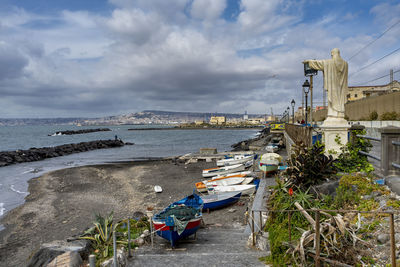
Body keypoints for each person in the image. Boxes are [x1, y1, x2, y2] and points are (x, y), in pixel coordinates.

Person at [303, 48, 348, 120]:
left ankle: (332, 115)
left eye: (331, 54)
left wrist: (309, 62)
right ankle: (340, 114)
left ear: (332, 53)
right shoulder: (345, 64)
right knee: (339, 100)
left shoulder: (329, 62)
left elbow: (319, 63)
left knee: (332, 100)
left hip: (333, 86)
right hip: (341, 87)